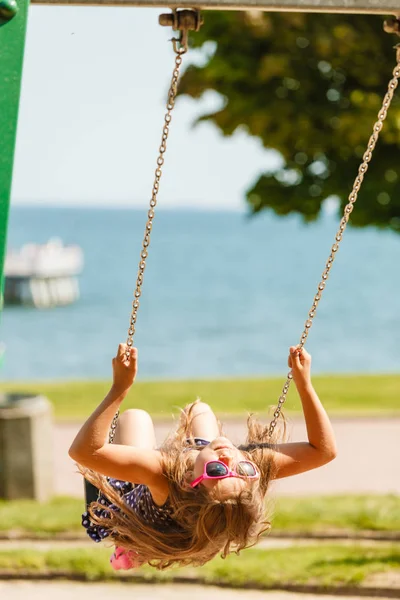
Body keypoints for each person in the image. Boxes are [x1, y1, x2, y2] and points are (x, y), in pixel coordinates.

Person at [69, 343, 337, 570]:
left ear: (188, 480)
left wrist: (120, 388)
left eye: (217, 471)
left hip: (131, 518)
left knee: (135, 417)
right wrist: (304, 384)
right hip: (198, 519)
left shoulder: (163, 476)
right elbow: (322, 451)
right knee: (200, 410)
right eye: (242, 469)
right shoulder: (243, 478)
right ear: (252, 478)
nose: (230, 459)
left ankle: (130, 549)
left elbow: (83, 452)